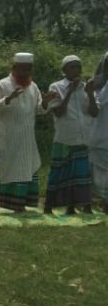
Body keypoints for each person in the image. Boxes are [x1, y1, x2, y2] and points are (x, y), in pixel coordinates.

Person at [0, 52, 47, 213]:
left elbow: (39, 109)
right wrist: (7, 99)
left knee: (23, 170)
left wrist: (46, 102)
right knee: (2, 172)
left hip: (25, 140)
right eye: (21, 69)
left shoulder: (33, 87)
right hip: (5, 138)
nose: (25, 73)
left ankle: (18, 205)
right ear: (14, 68)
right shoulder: (2, 85)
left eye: (28, 70)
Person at [44, 55, 98, 214]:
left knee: (81, 174)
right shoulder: (56, 87)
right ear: (64, 70)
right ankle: (50, 206)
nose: (76, 70)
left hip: (83, 137)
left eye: (78, 67)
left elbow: (94, 113)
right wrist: (69, 92)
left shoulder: (86, 87)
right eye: (72, 67)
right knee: (59, 172)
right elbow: (59, 113)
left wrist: (89, 94)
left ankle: (82, 206)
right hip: (65, 138)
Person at [89, 54, 108, 213]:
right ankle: (103, 201)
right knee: (101, 170)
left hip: (100, 133)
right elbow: (96, 106)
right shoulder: (100, 85)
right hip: (101, 132)